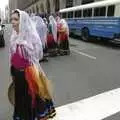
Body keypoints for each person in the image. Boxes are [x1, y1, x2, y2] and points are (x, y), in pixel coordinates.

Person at [10, 9, 56, 120]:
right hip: (18, 74)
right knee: (20, 98)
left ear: (23, 21)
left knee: (32, 98)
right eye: (12, 19)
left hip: (30, 73)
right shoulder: (13, 37)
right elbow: (12, 56)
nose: (13, 22)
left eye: (16, 19)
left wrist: (25, 46)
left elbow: (39, 54)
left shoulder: (31, 36)